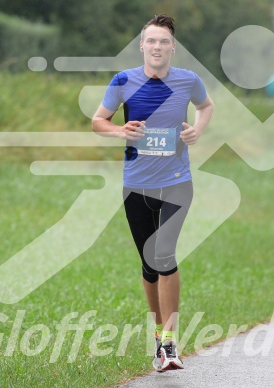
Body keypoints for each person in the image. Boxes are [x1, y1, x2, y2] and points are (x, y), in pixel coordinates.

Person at [91, 14, 214, 372]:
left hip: (177, 182)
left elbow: (207, 107)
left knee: (163, 254)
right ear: (142, 46)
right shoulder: (123, 81)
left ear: (173, 47)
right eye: (151, 41)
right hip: (136, 184)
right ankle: (159, 337)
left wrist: (197, 131)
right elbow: (98, 121)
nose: (157, 47)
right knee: (148, 264)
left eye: (164, 41)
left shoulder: (188, 81)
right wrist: (120, 132)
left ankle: (170, 344)